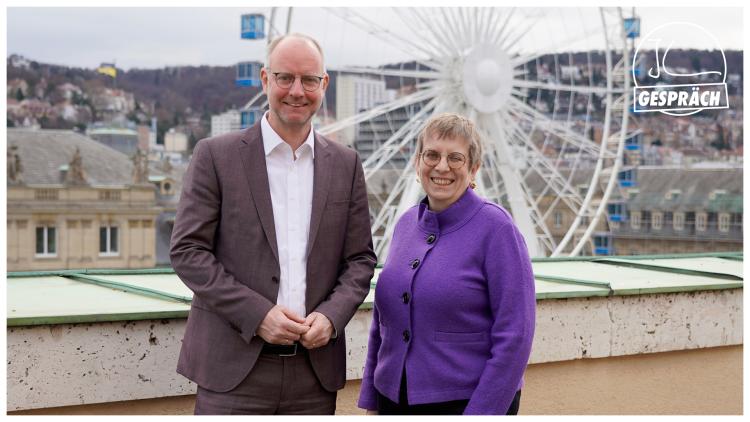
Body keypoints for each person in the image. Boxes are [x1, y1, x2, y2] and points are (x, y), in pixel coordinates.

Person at [170, 33, 376, 415]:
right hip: (233, 371)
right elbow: (187, 251)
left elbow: (361, 260)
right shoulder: (216, 156)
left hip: (314, 375)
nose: (297, 91)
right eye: (285, 78)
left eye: (309, 80)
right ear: (265, 80)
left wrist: (331, 318)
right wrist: (258, 315)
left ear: (323, 85)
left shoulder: (346, 165)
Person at [357, 113, 536, 415]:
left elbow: (516, 335)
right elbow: (383, 323)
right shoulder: (405, 225)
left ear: (474, 168)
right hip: (393, 399)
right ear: (417, 162)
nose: (442, 166)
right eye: (432, 155)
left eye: (456, 158)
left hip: (463, 403)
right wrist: (372, 401)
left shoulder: (496, 229)